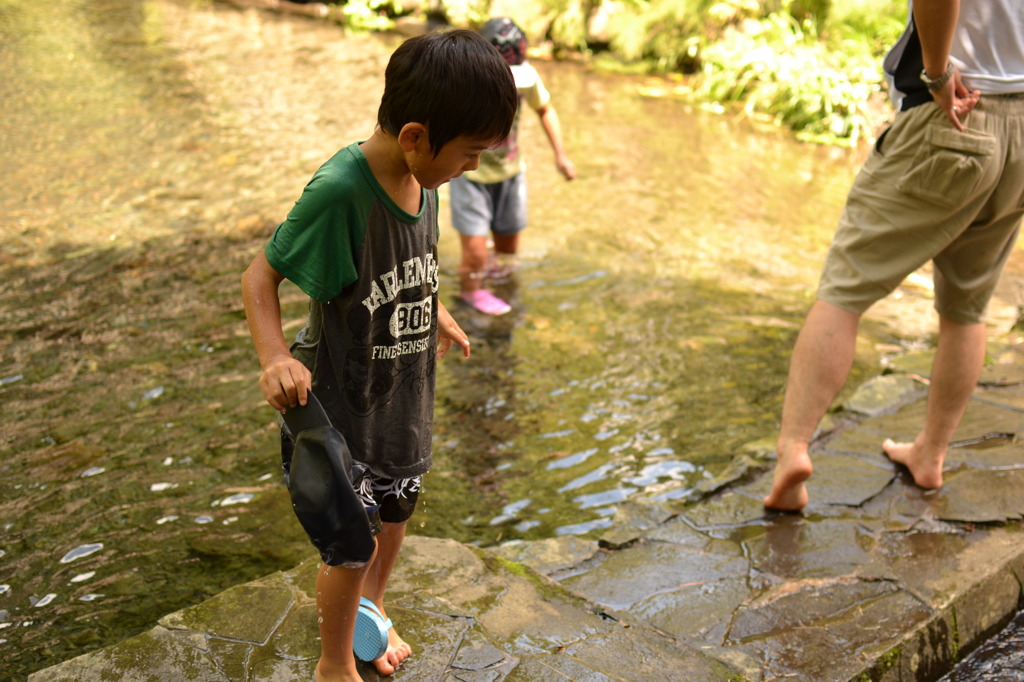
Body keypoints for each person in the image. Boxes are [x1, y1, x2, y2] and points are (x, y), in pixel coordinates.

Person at [241, 29, 517, 681]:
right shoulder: (342, 191)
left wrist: (439, 312)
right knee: (348, 543)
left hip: (401, 402)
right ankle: (332, 662)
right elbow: (259, 277)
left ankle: (371, 607)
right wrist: (275, 357)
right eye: (470, 153)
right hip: (341, 413)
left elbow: (410, 267)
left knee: (394, 517)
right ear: (416, 135)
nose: (472, 167)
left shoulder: (427, 181)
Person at [764, 0, 1024, 512]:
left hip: (959, 109)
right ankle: (930, 454)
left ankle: (793, 451)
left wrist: (936, 71)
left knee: (844, 292)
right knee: (967, 307)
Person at [450, 16, 576, 315]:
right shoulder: (467, 83)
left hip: (511, 173)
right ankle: (470, 294)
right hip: (471, 176)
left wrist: (561, 155)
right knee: (476, 253)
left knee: (507, 251)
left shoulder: (528, 78)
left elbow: (545, 109)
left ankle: (497, 285)